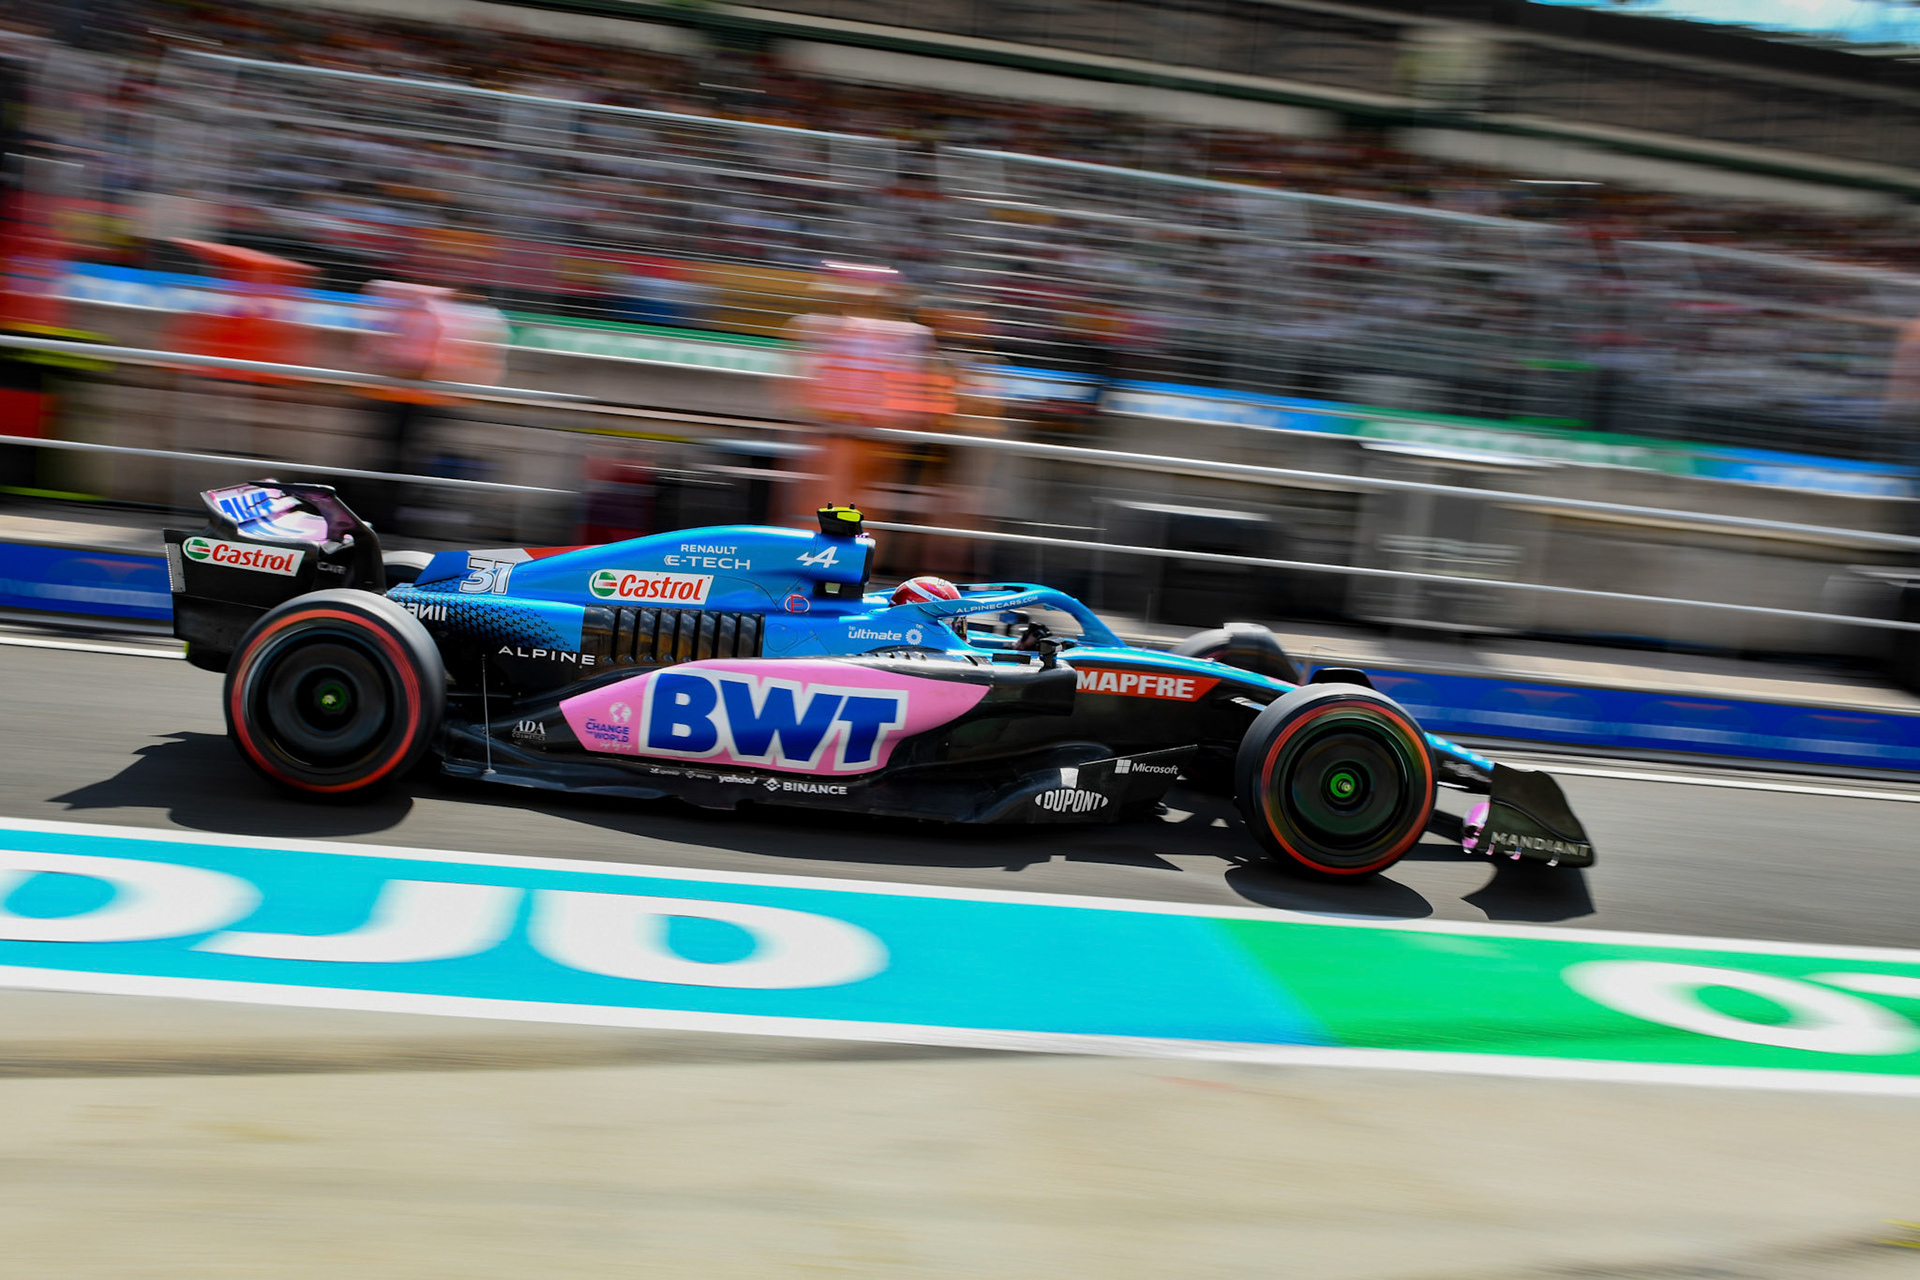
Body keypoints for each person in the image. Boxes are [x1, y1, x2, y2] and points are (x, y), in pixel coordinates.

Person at [783, 262, 952, 529]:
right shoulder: (905, 335)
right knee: (843, 507)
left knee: (835, 506)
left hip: (855, 436)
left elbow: (802, 386)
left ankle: (836, 560)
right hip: (856, 435)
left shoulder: (898, 335)